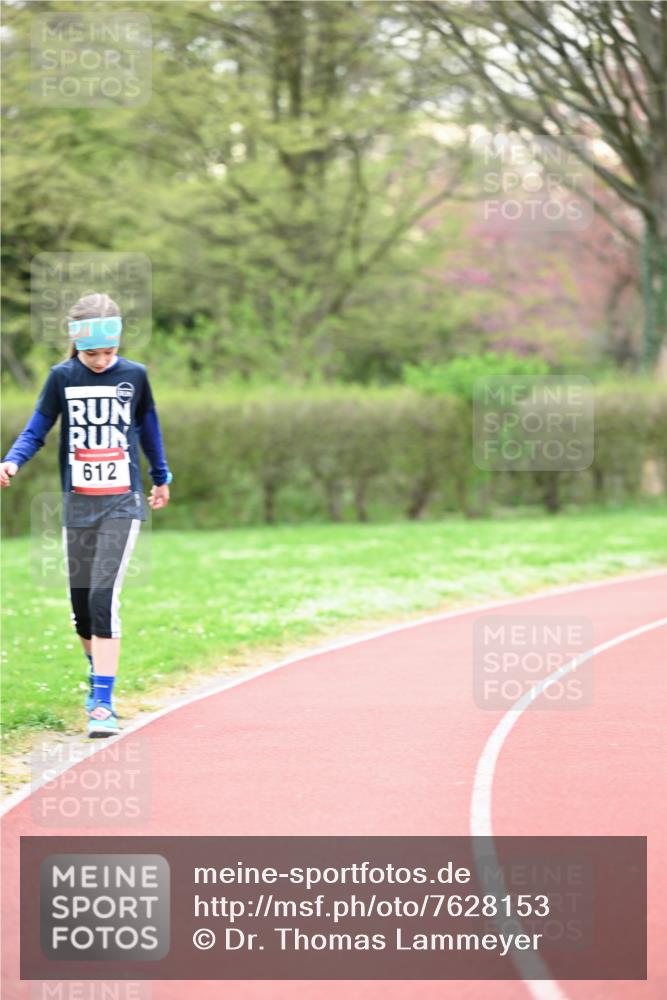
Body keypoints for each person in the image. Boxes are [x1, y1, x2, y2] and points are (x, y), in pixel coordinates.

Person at [0, 292, 172, 737]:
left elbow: (148, 426)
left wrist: (161, 475)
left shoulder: (134, 376)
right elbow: (38, 426)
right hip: (78, 504)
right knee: (80, 608)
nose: (100, 360)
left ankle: (102, 701)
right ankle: (99, 671)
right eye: (92, 352)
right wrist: (12, 460)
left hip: (122, 500)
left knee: (102, 598)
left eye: (109, 352)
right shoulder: (62, 378)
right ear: (76, 344)